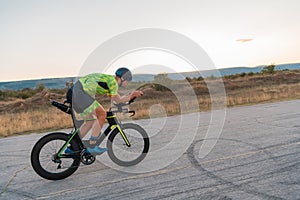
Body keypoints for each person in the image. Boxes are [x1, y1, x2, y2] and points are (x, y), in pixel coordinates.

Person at [66, 67, 143, 154]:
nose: (128, 83)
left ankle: (74, 146)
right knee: (102, 114)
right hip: (79, 93)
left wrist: (128, 98)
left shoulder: (109, 81)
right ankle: (92, 146)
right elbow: (118, 100)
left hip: (74, 93)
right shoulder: (113, 82)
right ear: (123, 78)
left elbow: (115, 99)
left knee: (90, 121)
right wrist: (133, 94)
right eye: (128, 80)